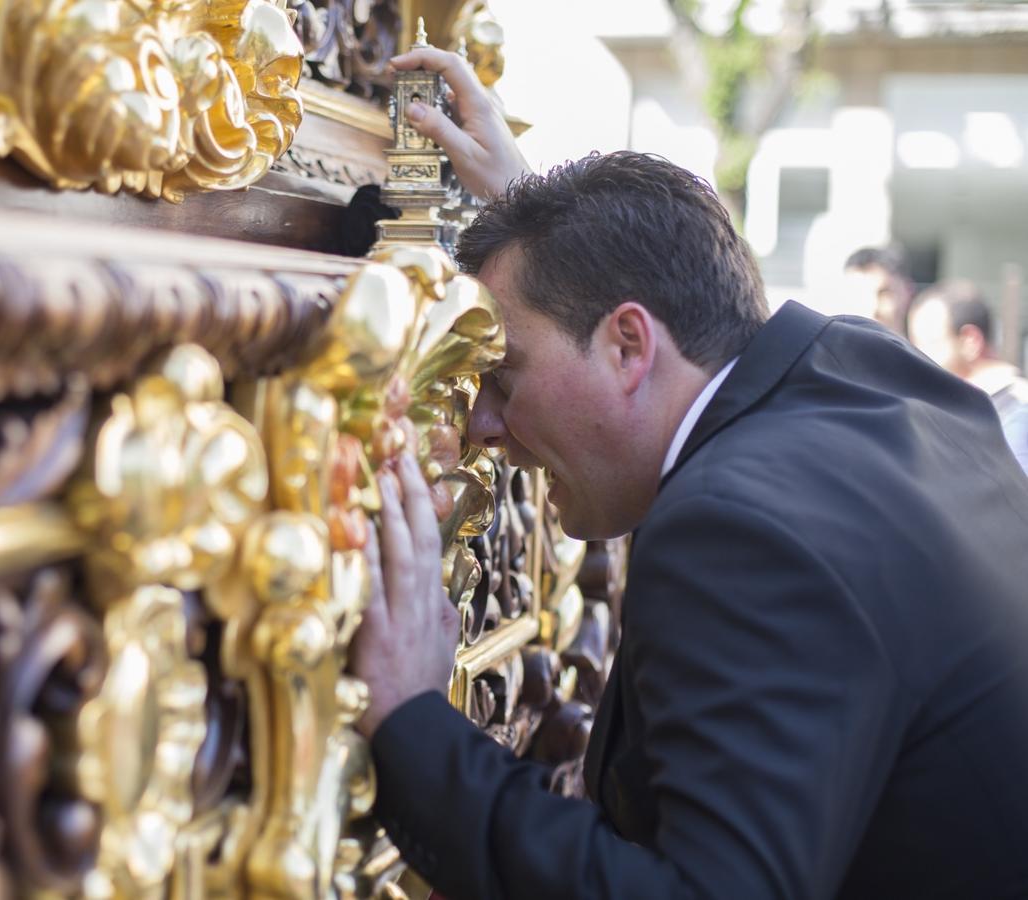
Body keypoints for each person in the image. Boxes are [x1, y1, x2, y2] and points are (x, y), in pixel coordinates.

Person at [348, 45, 1028, 900]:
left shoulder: (737, 530)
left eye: (504, 376)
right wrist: (540, 223)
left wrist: (412, 724)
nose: (481, 426)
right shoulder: (866, 372)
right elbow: (634, 291)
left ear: (629, 344)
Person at [909, 279, 1028, 472]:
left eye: (927, 343)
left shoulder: (1017, 414)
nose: (915, 356)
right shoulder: (982, 409)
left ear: (970, 341)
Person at [841, 245, 916, 337]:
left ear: (907, 292)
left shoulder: (930, 348)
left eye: (884, 293)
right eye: (860, 296)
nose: (873, 309)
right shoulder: (827, 349)